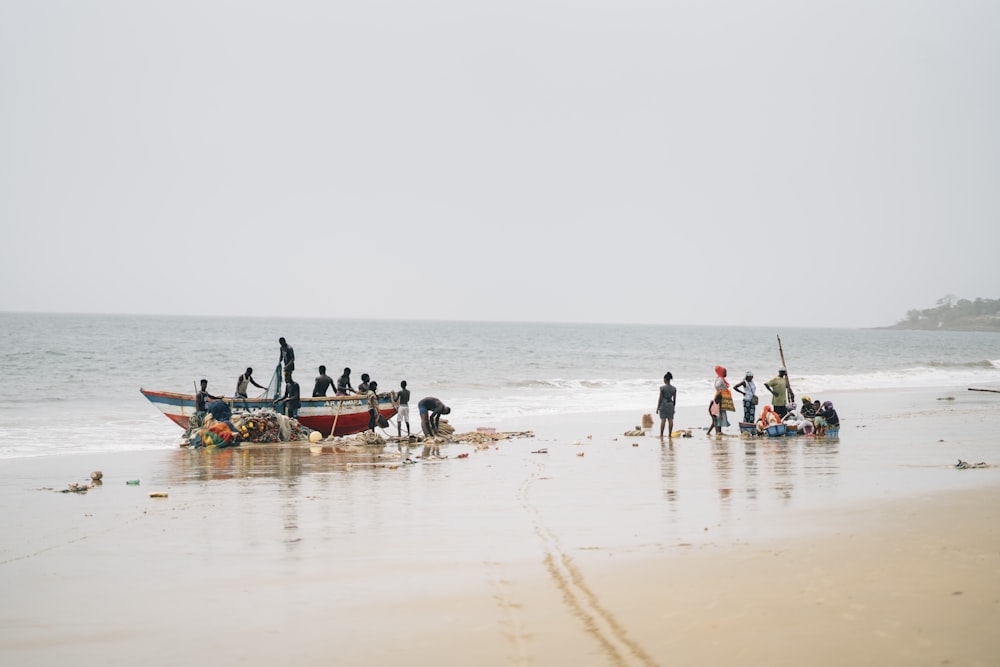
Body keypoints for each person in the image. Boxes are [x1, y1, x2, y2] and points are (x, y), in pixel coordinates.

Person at [656, 372, 677, 437]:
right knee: (670, 419)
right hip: (670, 404)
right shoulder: (674, 388)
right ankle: (670, 435)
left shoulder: (662, 388)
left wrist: (657, 408)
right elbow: (674, 400)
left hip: (664, 404)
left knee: (663, 420)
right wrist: (673, 407)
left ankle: (661, 434)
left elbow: (660, 399)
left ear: (665, 379)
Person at [713, 366, 732, 433]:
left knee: (719, 415)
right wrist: (720, 391)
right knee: (719, 415)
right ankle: (718, 431)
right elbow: (718, 386)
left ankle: (718, 431)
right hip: (719, 398)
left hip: (720, 397)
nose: (726, 373)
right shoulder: (720, 380)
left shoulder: (719, 378)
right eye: (725, 372)